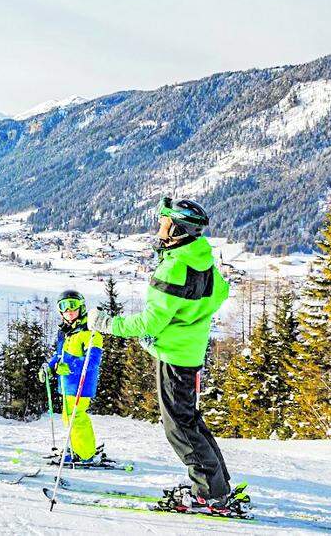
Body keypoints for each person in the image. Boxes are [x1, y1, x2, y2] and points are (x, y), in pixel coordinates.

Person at [89, 197, 241, 516]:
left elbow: (148, 322)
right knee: (190, 420)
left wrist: (105, 322)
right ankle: (217, 486)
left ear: (177, 228)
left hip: (173, 356)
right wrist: (189, 320)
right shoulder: (202, 260)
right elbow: (221, 293)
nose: (158, 226)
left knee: (179, 427)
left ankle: (209, 495)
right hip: (189, 351)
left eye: (163, 221)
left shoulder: (174, 267)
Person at [38, 289, 106, 464]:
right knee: (69, 417)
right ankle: (78, 447)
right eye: (63, 306)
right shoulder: (65, 333)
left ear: (81, 307)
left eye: (72, 305)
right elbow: (59, 356)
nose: (68, 310)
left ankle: (86, 454)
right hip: (66, 383)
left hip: (81, 383)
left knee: (76, 416)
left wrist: (70, 367)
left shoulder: (90, 333)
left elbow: (92, 362)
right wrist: (50, 367)